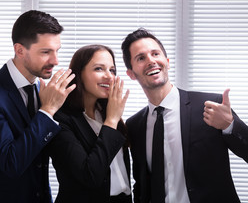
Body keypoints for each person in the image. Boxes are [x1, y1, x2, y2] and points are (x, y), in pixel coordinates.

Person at [121, 28, 248, 203]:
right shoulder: (134, 125)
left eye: (155, 54)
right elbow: (142, 185)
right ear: (131, 74)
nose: (151, 61)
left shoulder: (211, 106)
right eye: (141, 58)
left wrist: (230, 125)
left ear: (167, 61)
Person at [0, 10, 76, 203]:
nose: (55, 60)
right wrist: (47, 111)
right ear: (19, 50)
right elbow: (11, 162)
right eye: (45, 52)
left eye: (57, 50)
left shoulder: (43, 90)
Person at [47, 44, 131, 203]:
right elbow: (90, 176)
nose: (109, 76)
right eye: (99, 69)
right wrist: (111, 121)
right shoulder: (61, 120)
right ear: (79, 74)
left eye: (112, 70)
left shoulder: (108, 113)